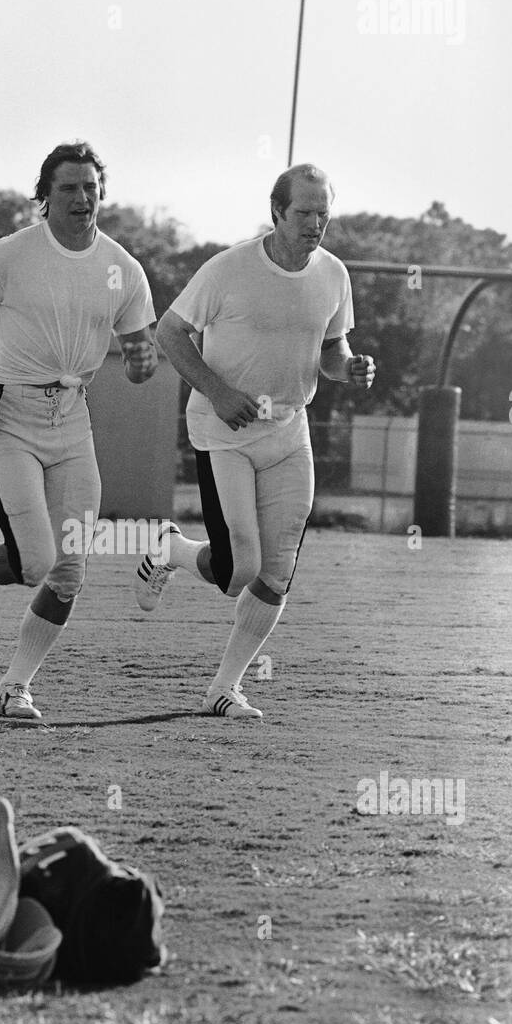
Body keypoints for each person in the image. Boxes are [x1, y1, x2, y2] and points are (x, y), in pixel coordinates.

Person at [136, 163, 375, 720]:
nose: (316, 223)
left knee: (278, 569)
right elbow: (171, 332)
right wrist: (218, 392)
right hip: (225, 431)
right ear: (276, 212)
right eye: (304, 213)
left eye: (324, 213)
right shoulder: (228, 268)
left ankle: (224, 687)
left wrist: (351, 369)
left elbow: (333, 350)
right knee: (239, 569)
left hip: (291, 431)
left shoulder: (334, 274)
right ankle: (168, 551)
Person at [0, 141, 157, 723]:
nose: (83, 198)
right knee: (34, 561)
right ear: (46, 195)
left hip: (75, 418)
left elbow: (142, 353)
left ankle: (15, 687)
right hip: (10, 416)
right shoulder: (11, 253)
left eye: (91, 186)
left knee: (69, 571)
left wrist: (143, 360)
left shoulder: (123, 267)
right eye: (69, 188)